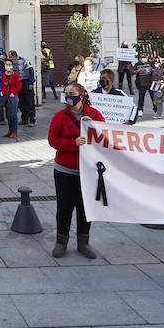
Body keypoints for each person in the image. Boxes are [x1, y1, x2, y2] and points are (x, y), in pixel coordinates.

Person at [48, 82, 105, 259]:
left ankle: (83, 243)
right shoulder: (60, 116)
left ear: (81, 95)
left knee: (85, 208)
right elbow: (52, 140)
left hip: (87, 171)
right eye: (66, 93)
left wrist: (91, 134)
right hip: (65, 170)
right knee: (64, 207)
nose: (68, 96)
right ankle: (61, 242)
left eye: (71, 93)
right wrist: (72, 143)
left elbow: (104, 136)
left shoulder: (94, 115)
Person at [0, 58, 21, 139]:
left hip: (12, 97)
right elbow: (2, 84)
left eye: (9, 65)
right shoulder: (3, 74)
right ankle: (10, 130)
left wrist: (14, 93)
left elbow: (19, 86)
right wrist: (1, 91)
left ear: (12, 66)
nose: (8, 66)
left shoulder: (15, 75)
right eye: (6, 64)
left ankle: (15, 131)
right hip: (5, 97)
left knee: (13, 115)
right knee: (8, 115)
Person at [18, 53, 37, 126]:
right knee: (22, 102)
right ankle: (24, 119)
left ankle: (32, 119)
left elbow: (31, 71)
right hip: (20, 85)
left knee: (29, 102)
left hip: (27, 84)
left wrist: (31, 83)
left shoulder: (25, 61)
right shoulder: (13, 63)